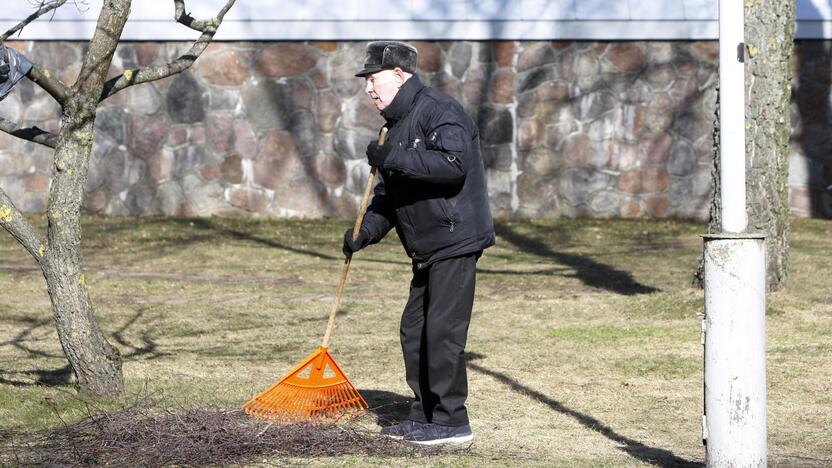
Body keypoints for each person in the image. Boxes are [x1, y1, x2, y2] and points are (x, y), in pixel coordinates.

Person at [344, 41, 495, 445]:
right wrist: (367, 231)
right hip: (427, 248)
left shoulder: (439, 111)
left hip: (454, 238)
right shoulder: (395, 124)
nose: (368, 89)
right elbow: (391, 197)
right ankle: (424, 415)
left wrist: (390, 157)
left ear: (398, 75)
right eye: (366, 82)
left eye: (373, 79)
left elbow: (453, 165)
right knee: (415, 330)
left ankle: (450, 422)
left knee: (441, 331)